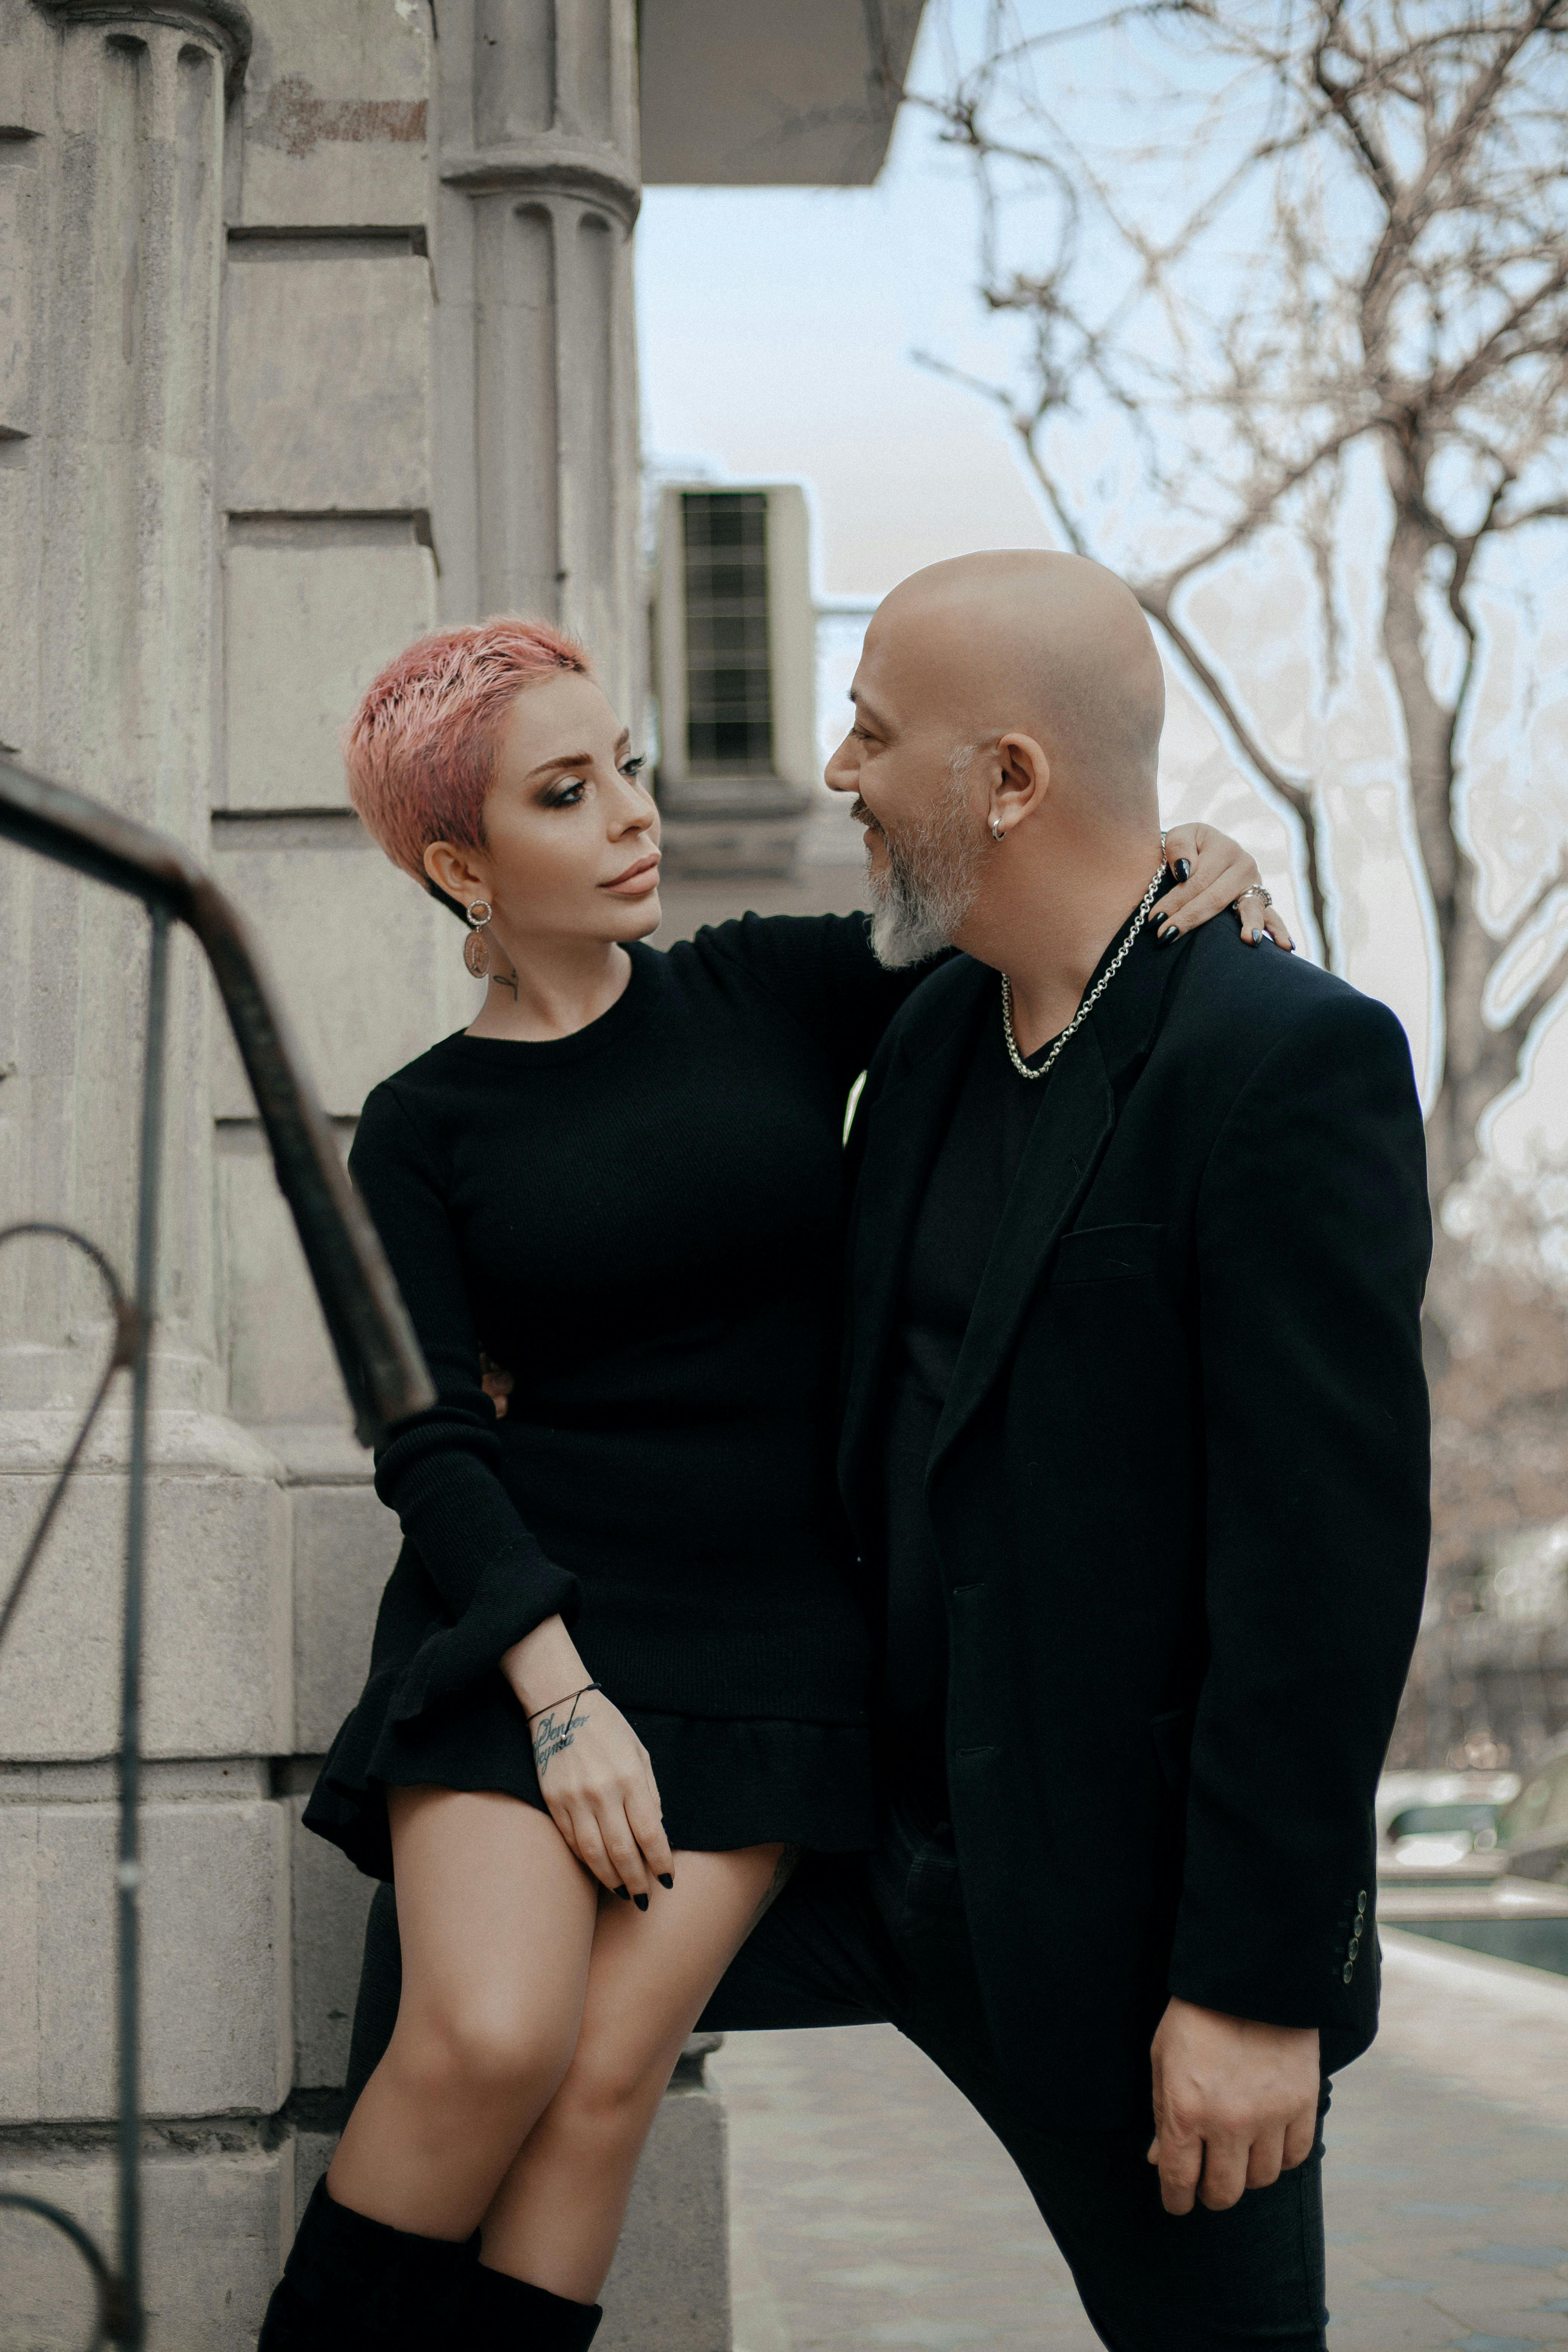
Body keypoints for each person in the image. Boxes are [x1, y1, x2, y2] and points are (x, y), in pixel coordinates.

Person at [259, 614, 1271, 2352]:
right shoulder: (418, 1125)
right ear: (459, 866)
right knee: (485, 2042)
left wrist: (1174, 852)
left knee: (601, 2086)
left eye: (627, 767)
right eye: (565, 795)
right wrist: (561, 1702)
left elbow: (1020, 907)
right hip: (521, 1636)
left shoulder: (768, 988)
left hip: (766, 1650)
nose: (630, 815)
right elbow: (426, 1439)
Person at [687, 551, 1432, 2349]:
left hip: (1123, 1927)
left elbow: (1321, 1577)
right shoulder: (930, 1024)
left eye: (872, 734)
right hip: (866, 1849)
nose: (837, 774)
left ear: (1008, 778)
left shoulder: (1281, 1058)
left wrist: (1252, 1992)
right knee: (469, 1981)